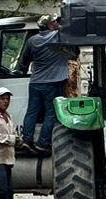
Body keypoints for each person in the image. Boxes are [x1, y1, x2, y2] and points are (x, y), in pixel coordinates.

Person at [20, 15, 78, 152]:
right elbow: (74, 52)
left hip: (35, 82)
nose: (58, 23)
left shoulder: (32, 41)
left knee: (32, 112)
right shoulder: (58, 37)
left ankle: (26, 140)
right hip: (53, 83)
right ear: (51, 26)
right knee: (52, 113)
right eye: (55, 22)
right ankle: (43, 143)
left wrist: (22, 70)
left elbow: (23, 62)